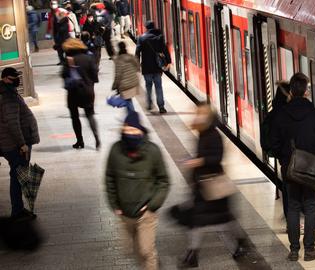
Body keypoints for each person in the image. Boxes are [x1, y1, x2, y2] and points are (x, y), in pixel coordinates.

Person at [270, 73, 315, 262]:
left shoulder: (281, 115)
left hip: (290, 169)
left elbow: (273, 142)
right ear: (306, 91)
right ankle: (310, 249)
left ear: (291, 91)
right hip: (311, 169)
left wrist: (285, 159)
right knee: (311, 207)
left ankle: (294, 250)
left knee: (293, 207)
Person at [179, 102, 246, 268]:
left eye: (201, 113)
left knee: (213, 222)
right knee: (206, 221)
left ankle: (235, 247)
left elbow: (216, 158)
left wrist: (198, 161)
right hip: (203, 185)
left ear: (208, 117)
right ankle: (195, 254)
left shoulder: (213, 135)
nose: (197, 116)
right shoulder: (204, 132)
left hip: (212, 185)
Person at [105, 111, 170, 270]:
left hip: (146, 213)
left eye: (134, 130)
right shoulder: (115, 150)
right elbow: (109, 178)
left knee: (146, 250)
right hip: (125, 213)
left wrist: (152, 205)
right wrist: (114, 205)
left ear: (141, 131)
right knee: (134, 250)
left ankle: (151, 264)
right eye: (127, 130)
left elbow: (164, 181)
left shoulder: (153, 151)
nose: (131, 134)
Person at [0, 67, 40, 221]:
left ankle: (19, 208)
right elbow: (12, 123)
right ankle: (17, 211)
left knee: (17, 175)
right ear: (4, 78)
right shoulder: (7, 95)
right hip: (15, 144)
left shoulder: (8, 92)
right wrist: (22, 144)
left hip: (11, 142)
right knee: (17, 177)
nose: (15, 80)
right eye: (12, 78)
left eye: (16, 77)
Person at [61, 38, 100, 150]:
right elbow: (95, 77)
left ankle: (80, 141)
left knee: (75, 117)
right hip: (88, 91)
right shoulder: (88, 58)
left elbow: (64, 75)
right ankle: (97, 139)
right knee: (90, 115)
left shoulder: (68, 59)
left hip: (73, 92)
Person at [260, 81, 290, 219]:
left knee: (288, 189)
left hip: (284, 159)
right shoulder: (288, 113)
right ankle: (293, 220)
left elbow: (274, 139)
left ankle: (291, 222)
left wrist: (280, 153)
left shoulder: (275, 113)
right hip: (293, 157)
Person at [135, 21, 170, 114]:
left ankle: (149, 104)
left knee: (148, 86)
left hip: (146, 67)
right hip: (157, 67)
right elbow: (165, 50)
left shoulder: (141, 38)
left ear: (146, 28)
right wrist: (168, 62)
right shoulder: (159, 37)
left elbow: (137, 53)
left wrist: (137, 64)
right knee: (158, 87)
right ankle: (161, 107)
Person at [112, 42, 140, 113]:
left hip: (125, 85)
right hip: (133, 82)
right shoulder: (131, 57)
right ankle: (131, 116)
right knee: (128, 100)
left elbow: (118, 75)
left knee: (128, 100)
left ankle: (132, 117)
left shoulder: (118, 60)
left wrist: (114, 85)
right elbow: (138, 67)